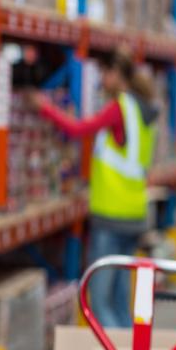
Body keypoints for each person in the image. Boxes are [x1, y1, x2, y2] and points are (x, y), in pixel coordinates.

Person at [29, 46, 157, 328]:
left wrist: (45, 108)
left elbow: (78, 130)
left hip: (111, 215)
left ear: (115, 73)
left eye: (104, 74)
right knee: (120, 299)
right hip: (134, 212)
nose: (101, 80)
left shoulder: (119, 108)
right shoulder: (143, 110)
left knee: (98, 302)